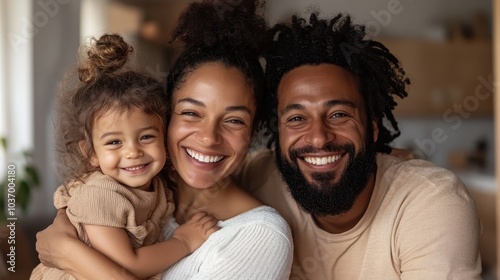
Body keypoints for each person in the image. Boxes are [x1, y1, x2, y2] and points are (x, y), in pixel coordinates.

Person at [34, 1, 293, 279]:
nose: (208, 138)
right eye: (191, 112)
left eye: (234, 120)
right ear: (166, 117)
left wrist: (68, 252)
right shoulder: (136, 190)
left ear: (253, 131)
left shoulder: (260, 237)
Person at [234, 12, 482, 279]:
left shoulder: (429, 201)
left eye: (339, 114)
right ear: (278, 131)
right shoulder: (255, 177)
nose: (318, 138)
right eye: (296, 118)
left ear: (372, 127)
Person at [30, 33, 219, 280]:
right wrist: (184, 241)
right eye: (114, 142)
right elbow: (128, 266)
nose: (132, 151)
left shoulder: (158, 186)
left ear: (164, 136)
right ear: (91, 154)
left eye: (146, 137)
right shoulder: (100, 195)